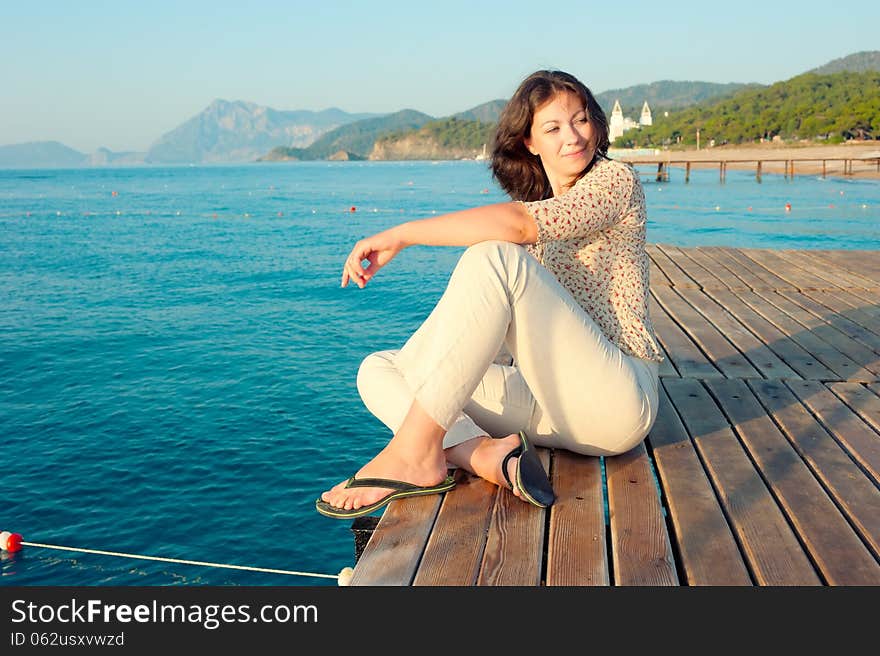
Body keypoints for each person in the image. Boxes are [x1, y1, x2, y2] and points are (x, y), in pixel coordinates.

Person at [316, 70, 663, 519]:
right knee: (380, 370)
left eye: (581, 120)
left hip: (617, 401)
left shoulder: (615, 181)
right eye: (553, 128)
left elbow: (515, 227)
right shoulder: (540, 208)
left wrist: (403, 235)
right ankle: (481, 454)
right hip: (551, 402)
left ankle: (417, 454)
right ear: (529, 143)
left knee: (494, 256)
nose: (573, 136)